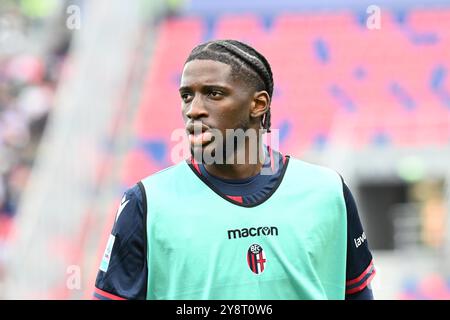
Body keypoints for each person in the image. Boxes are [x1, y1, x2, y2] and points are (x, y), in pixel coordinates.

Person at [93, 39, 375, 300]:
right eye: (187, 96)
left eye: (214, 94)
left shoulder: (327, 192)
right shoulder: (146, 203)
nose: (194, 110)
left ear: (258, 104)